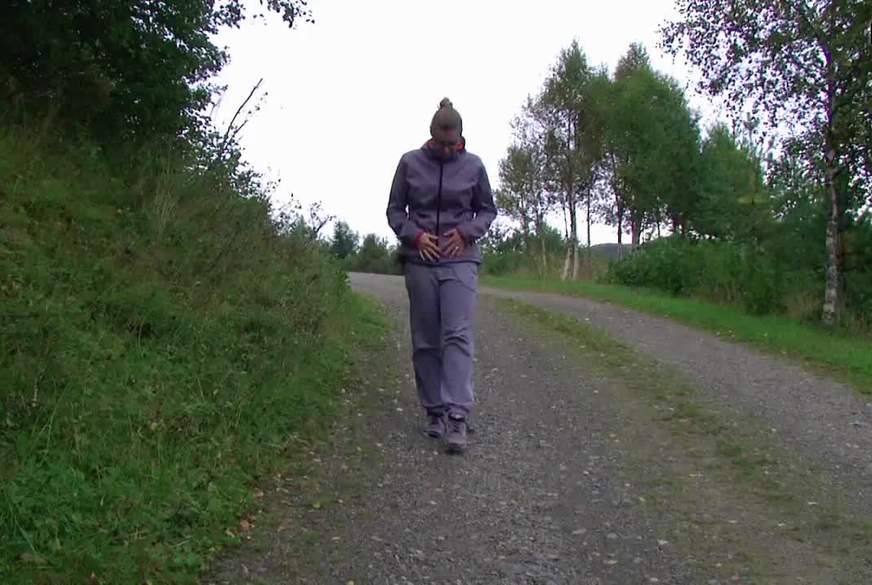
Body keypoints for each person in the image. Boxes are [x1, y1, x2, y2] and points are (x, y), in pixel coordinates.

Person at [386, 97, 498, 454]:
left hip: (460, 260)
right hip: (420, 260)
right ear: (430, 135)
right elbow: (394, 211)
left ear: (461, 138)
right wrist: (415, 236)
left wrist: (466, 232)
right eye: (441, 143)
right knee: (425, 340)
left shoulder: (474, 166)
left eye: (453, 144)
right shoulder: (409, 163)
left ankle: (457, 416)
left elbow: (487, 211)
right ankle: (433, 411)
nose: (448, 149)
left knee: (457, 335)